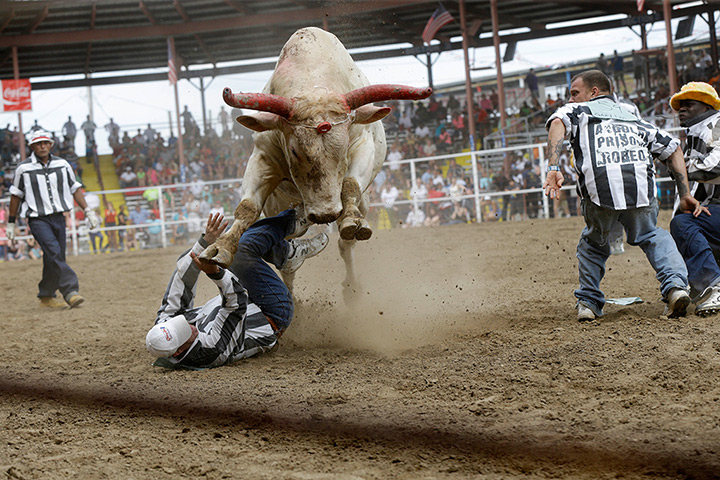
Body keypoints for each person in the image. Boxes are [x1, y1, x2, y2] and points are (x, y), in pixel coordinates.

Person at [543, 70, 708, 322]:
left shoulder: (576, 111)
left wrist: (553, 167)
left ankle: (588, 302)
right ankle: (675, 288)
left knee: (593, 244)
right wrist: (684, 193)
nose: (572, 98)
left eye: (575, 93)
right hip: (640, 190)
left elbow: (556, 123)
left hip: (599, 192)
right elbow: (672, 147)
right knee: (653, 235)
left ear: (594, 92)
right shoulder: (632, 116)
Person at [144, 210, 329, 369]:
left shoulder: (163, 328)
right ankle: (300, 217)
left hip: (251, 300)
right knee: (239, 250)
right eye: (185, 331)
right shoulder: (212, 350)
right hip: (273, 313)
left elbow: (180, 283)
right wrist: (216, 274)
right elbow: (236, 304)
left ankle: (286, 253)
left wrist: (204, 243)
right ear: (179, 351)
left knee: (237, 238)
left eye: (179, 325)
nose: (188, 326)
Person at [6, 130, 100, 308]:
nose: (42, 146)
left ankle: (46, 295)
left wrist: (88, 211)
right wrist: (11, 222)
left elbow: (75, 189)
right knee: (54, 252)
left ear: (50, 144)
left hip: (58, 217)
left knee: (54, 256)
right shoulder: (23, 169)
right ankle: (70, 290)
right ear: (32, 146)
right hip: (37, 219)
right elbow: (16, 196)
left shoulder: (63, 165)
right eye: (38, 143)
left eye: (45, 143)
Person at [668, 82, 720, 316]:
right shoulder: (695, 134)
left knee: (684, 223)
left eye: (689, 104)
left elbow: (716, 166)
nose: (681, 109)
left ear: (707, 105)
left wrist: (679, 166)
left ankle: (714, 287)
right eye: (679, 105)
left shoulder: (717, 124)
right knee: (686, 220)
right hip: (714, 212)